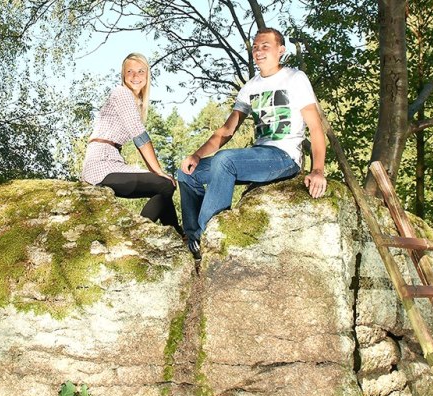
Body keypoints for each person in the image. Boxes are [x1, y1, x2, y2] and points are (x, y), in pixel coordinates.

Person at [177, 27, 327, 261]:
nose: (258, 51)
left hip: (283, 157)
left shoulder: (295, 78)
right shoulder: (250, 87)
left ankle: (208, 237)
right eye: (255, 47)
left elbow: (316, 129)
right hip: (258, 156)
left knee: (225, 160)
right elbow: (227, 130)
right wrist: (196, 155)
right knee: (187, 173)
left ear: (281, 50)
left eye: (265, 46)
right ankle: (192, 238)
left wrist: (318, 170)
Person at [81, 53, 183, 235]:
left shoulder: (134, 102)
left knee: (164, 187)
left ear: (147, 75)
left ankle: (177, 234)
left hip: (111, 162)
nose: (135, 76)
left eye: (140, 71)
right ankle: (138, 235)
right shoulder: (121, 93)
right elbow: (139, 135)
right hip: (101, 165)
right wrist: (158, 170)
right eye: (130, 71)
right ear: (123, 75)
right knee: (165, 183)